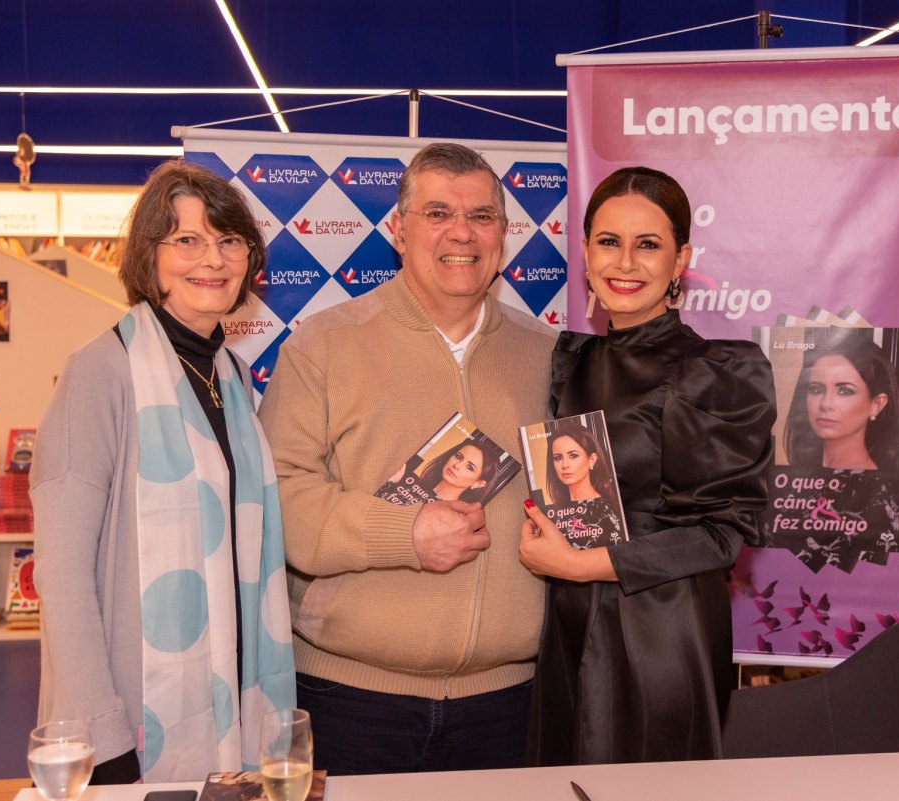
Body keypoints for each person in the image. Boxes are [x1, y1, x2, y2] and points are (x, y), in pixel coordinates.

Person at [258, 142, 555, 775]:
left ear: (504, 232)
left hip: (513, 704)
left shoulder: (552, 355)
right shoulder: (323, 346)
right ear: (398, 229)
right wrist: (404, 532)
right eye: (438, 213)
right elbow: (278, 498)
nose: (461, 233)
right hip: (351, 701)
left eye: (481, 216)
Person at [31, 159, 295, 783]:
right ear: (149, 256)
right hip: (129, 716)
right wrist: (102, 736)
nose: (213, 259)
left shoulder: (230, 377)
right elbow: (62, 575)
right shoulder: (100, 372)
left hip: (234, 701)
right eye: (187, 240)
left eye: (229, 240)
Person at [518, 166, 775, 765]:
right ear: (585, 251)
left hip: (661, 629)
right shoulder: (569, 359)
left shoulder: (718, 372)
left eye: (649, 245)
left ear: (681, 258)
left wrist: (580, 565)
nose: (626, 263)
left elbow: (722, 535)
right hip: (568, 620)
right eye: (609, 242)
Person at [783, 333, 899, 472]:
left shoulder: (879, 484)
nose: (825, 404)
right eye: (816, 389)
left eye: (845, 391)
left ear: (876, 405)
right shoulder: (795, 476)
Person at [543, 421, 624, 548]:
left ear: (591, 460)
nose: (565, 465)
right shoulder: (557, 510)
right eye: (558, 458)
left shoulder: (604, 514)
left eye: (573, 456)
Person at [416, 436, 502, 504]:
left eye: (469, 467)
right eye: (458, 457)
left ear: (478, 483)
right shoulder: (413, 484)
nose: (457, 465)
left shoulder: (452, 515)